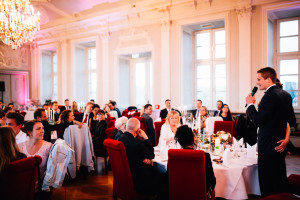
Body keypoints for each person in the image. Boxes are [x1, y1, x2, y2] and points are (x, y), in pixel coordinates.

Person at [245, 67, 296, 197]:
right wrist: (286, 140)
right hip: (280, 145)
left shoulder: (269, 96)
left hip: (267, 146)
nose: (257, 82)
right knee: (279, 179)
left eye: (259, 79)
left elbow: (257, 121)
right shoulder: (286, 95)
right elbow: (290, 122)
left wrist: (250, 105)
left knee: (267, 182)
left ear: (268, 79)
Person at [118, 118, 165, 195]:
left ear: (126, 126)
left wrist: (142, 158)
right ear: (138, 130)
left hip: (126, 173)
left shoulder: (120, 138)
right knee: (160, 173)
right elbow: (151, 154)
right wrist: (146, 137)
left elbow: (133, 153)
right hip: (139, 178)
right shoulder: (138, 143)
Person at [174, 125, 216, 199]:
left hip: (178, 196)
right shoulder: (204, 156)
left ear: (179, 142)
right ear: (193, 138)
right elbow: (212, 182)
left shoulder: (173, 157)